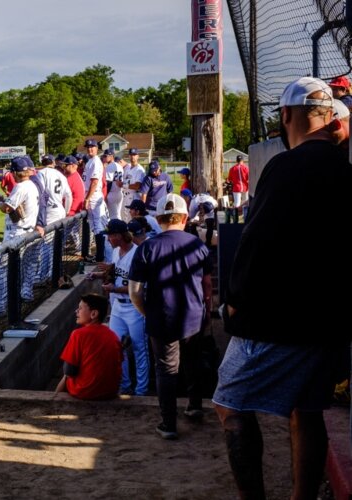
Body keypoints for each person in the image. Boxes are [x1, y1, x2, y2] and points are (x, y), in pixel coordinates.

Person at [213, 76, 351, 499]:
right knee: (307, 409)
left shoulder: (285, 166)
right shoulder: (345, 170)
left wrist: (233, 301)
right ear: (329, 119)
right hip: (330, 318)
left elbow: (258, 244)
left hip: (277, 319)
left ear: (286, 116)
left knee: (230, 406)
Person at [128, 193, 212, 439]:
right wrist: (207, 310)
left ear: (159, 218)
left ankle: (169, 423)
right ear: (184, 218)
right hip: (194, 315)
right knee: (192, 361)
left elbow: (135, 290)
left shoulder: (147, 247)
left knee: (165, 369)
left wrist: (146, 311)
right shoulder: (197, 244)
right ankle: (195, 405)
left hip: (161, 316)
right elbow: (207, 285)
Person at [0, 156, 41, 319]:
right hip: (28, 231)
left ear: (14, 173)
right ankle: (22, 296)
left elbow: (6, 209)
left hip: (16, 235)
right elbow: (15, 212)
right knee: (21, 267)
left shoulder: (20, 187)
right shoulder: (32, 185)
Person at [95, 219, 148, 396]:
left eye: (110, 235)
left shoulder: (138, 254)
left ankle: (141, 390)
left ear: (118, 236)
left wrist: (114, 288)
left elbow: (139, 286)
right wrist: (99, 274)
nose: (108, 239)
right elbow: (116, 271)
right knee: (117, 348)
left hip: (135, 307)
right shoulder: (116, 252)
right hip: (118, 307)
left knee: (140, 349)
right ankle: (124, 385)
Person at [55, 293, 122, 400]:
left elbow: (69, 371)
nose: (76, 311)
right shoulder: (113, 335)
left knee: (65, 376)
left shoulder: (78, 334)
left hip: (85, 392)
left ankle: (55, 399)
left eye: (80, 308)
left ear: (93, 314)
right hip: (111, 391)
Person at [35, 154, 71, 283]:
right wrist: (66, 212)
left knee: (46, 244)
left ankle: (44, 274)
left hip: (49, 211)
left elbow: (40, 194)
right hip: (60, 210)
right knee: (57, 243)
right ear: (53, 162)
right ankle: (52, 272)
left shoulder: (41, 173)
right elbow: (69, 195)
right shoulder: (60, 175)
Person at [82, 139, 110, 262]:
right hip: (95, 196)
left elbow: (94, 182)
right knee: (102, 225)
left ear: (97, 148)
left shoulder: (95, 162)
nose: (90, 149)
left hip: (93, 196)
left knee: (97, 227)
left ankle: (100, 257)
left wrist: (87, 198)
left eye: (92, 146)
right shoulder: (91, 161)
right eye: (88, 147)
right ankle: (103, 254)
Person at [121, 148, 146, 221]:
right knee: (124, 218)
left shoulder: (139, 170)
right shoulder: (128, 167)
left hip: (133, 196)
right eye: (131, 155)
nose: (132, 157)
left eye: (134, 155)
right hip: (125, 195)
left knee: (131, 219)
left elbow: (137, 186)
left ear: (138, 156)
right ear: (129, 156)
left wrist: (124, 185)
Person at [226, 155, 249, 220]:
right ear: (242, 160)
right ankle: (246, 218)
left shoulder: (232, 168)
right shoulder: (246, 168)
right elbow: (248, 178)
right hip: (245, 187)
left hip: (236, 188)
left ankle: (235, 219)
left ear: (236, 161)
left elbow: (229, 179)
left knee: (237, 203)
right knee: (245, 203)